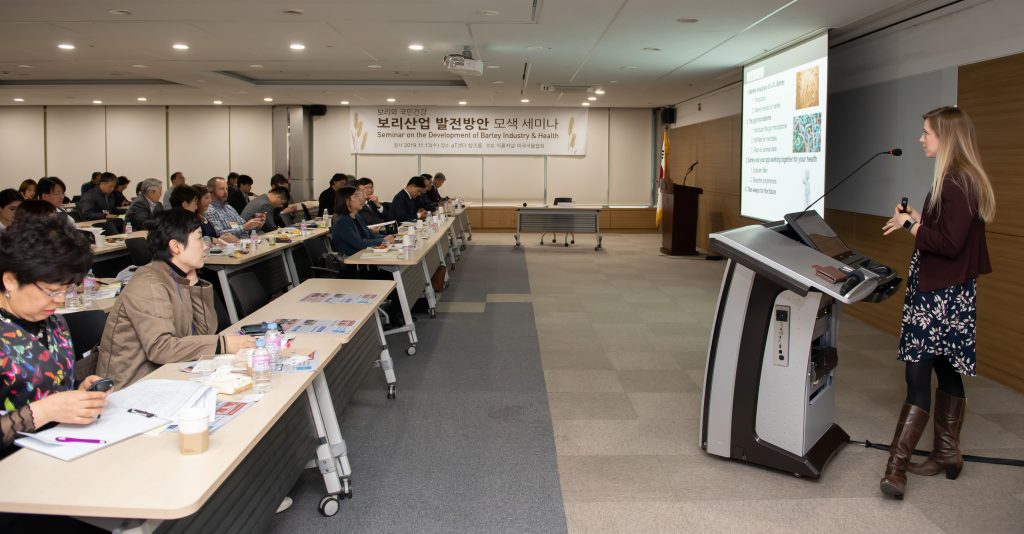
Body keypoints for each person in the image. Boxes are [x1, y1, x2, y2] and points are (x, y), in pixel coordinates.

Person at [878, 106, 995, 499]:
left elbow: (949, 244)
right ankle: (947, 453)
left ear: (945, 137)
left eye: (926, 132)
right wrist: (917, 219)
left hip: (940, 296)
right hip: (947, 291)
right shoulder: (957, 179)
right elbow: (945, 232)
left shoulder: (956, 182)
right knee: (945, 368)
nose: (921, 138)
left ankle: (896, 467)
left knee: (918, 375)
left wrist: (912, 226)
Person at [96, 209, 255, 388]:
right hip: (133, 386)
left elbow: (203, 333)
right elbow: (161, 348)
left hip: (167, 375)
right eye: (199, 238)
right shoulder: (150, 284)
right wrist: (223, 344)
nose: (205, 246)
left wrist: (194, 284)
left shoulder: (176, 276)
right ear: (176, 246)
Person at [332, 187, 394, 256]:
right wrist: (383, 240)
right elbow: (359, 243)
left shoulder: (356, 216)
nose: (361, 199)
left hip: (363, 255)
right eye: (356, 196)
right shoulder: (342, 221)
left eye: (360, 196)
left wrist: (387, 237)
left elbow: (370, 235)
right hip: (352, 261)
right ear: (346, 201)